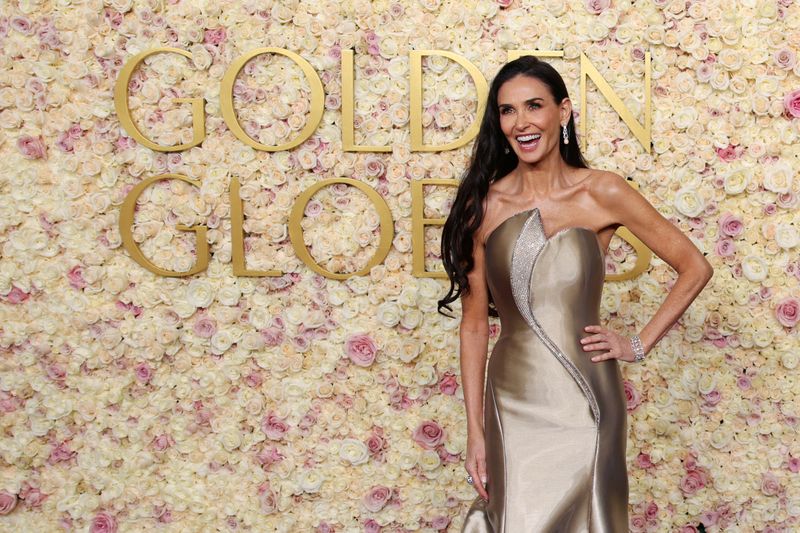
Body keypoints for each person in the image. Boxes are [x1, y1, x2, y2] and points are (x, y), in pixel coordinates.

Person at [437, 56, 714, 531]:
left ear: (563, 112)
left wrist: (636, 344)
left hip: (587, 399)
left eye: (534, 106)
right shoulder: (483, 206)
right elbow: (475, 324)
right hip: (511, 399)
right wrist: (475, 431)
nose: (521, 123)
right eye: (507, 111)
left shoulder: (602, 192)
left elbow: (695, 266)